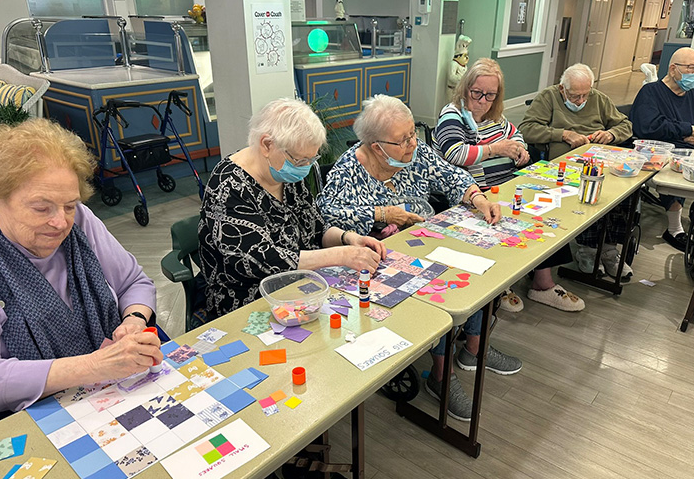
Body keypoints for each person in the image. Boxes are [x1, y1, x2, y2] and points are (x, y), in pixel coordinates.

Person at [317, 94, 520, 422]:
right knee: (438, 289)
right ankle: (441, 377)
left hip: (425, 242)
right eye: (403, 139)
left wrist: (478, 198)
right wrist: (383, 213)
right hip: (379, 258)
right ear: (375, 145)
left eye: (413, 134)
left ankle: (473, 348)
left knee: (482, 268)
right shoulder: (348, 169)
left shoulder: (418, 154)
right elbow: (327, 214)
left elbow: (453, 177)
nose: (413, 143)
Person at [0, 119, 162, 413]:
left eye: (69, 205)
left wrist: (134, 320)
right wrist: (94, 365)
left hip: (111, 393)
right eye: (41, 208)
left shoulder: (82, 221)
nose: (61, 222)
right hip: (39, 413)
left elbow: (134, 283)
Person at [198, 98, 386, 320]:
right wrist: (341, 255)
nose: (305, 168)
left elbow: (316, 228)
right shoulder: (228, 186)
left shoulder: (286, 170)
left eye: (311, 159)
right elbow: (258, 262)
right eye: (300, 160)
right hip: (247, 301)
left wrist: (348, 238)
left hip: (302, 286)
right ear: (267, 145)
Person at [434, 58, 585, 312]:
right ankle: (499, 284)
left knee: (546, 217)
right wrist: (495, 149)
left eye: (490, 95)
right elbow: (455, 154)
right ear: (465, 88)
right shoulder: (452, 114)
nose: (482, 101)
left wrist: (520, 151)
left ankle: (543, 284)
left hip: (504, 185)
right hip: (473, 193)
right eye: (477, 93)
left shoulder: (495, 116)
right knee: (503, 218)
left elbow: (515, 135)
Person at [520, 63, 635, 280]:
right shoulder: (549, 97)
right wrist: (562, 134)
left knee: (622, 195)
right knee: (586, 196)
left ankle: (609, 251)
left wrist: (610, 135)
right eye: (574, 96)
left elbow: (626, 126)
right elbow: (527, 130)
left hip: (601, 162)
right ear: (563, 89)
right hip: (563, 167)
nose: (581, 101)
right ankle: (587, 250)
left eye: (585, 95)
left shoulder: (599, 99)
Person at [630, 47, 694, 252]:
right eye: (690, 68)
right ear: (672, 69)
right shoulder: (651, 92)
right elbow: (648, 126)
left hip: (692, 152)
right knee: (677, 167)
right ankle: (675, 228)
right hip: (660, 153)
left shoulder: (692, 95)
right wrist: (688, 129)